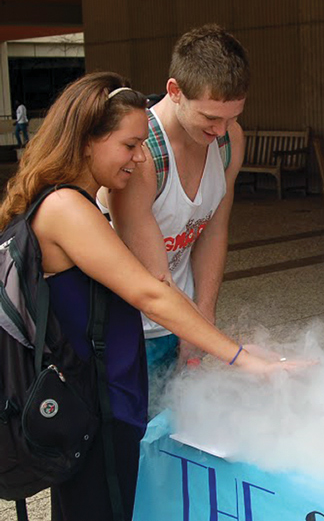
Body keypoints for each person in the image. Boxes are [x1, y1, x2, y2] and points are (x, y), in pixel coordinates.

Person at [0, 72, 303, 521]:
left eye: (143, 143)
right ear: (87, 141)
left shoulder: (76, 203)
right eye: (129, 145)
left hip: (103, 404)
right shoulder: (65, 208)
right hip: (94, 409)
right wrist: (241, 357)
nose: (140, 157)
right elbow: (150, 292)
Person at [103, 24, 249, 411]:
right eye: (209, 118)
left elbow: (213, 229)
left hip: (179, 318)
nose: (220, 130)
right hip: (129, 330)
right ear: (174, 91)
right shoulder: (141, 155)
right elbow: (154, 279)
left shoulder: (229, 141)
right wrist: (205, 337)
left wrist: (204, 317)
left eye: (231, 117)